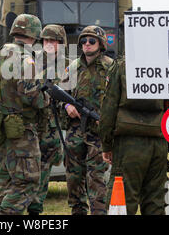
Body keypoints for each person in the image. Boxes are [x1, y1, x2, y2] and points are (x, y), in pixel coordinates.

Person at [0, 14, 47, 215]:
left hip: (0, 128)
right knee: (27, 182)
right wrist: (48, 98)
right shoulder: (27, 60)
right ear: (35, 34)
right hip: (21, 132)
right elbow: (33, 97)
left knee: (7, 184)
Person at [98, 57, 169, 215]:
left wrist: (107, 144)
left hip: (129, 142)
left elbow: (109, 107)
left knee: (122, 201)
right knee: (155, 201)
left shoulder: (122, 65)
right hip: (159, 139)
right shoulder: (165, 63)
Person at [61, 25, 114, 215]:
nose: (87, 44)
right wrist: (67, 107)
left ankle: (99, 212)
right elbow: (60, 96)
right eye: (84, 41)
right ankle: (78, 211)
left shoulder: (111, 67)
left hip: (99, 132)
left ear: (100, 44)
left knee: (97, 177)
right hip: (76, 131)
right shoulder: (73, 67)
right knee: (73, 176)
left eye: (92, 41)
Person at [27, 24, 69, 215]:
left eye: (53, 40)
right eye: (46, 40)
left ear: (61, 43)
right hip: (33, 126)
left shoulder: (68, 65)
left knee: (43, 173)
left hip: (53, 129)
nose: (49, 44)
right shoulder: (31, 62)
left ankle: (35, 210)